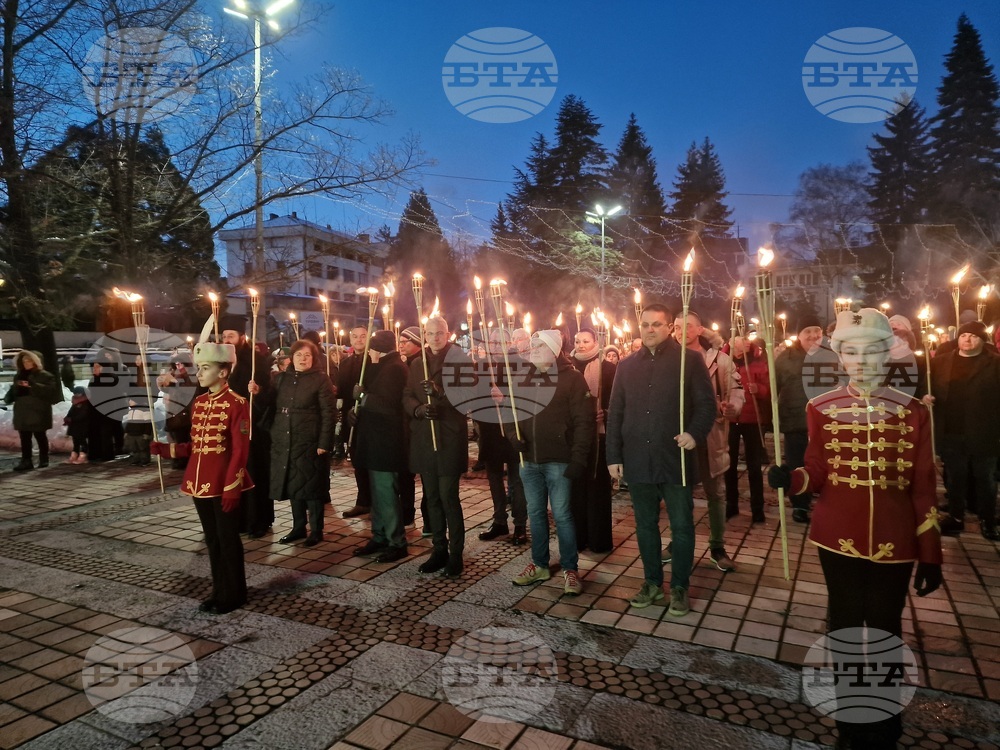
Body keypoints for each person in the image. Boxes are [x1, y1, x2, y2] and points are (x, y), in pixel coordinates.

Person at [768, 308, 943, 748]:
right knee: (844, 625)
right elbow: (817, 471)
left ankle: (883, 722)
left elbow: (923, 487)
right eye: (852, 352)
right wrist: (789, 480)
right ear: (841, 357)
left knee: (885, 627)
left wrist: (931, 553)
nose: (862, 361)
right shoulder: (821, 408)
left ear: (888, 354)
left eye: (871, 351)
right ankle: (850, 720)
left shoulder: (913, 412)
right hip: (836, 535)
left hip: (896, 538)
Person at [606, 304, 716, 615]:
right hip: (638, 457)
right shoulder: (626, 367)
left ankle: (680, 585)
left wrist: (694, 434)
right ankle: (652, 582)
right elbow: (616, 415)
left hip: (675, 457)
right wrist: (613, 455)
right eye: (645, 325)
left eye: (657, 324)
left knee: (681, 525)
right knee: (645, 525)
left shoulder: (690, 361)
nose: (650, 330)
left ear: (670, 327)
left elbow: (706, 405)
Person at [151, 333, 254, 615]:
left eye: (206, 368)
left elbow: (239, 451)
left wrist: (233, 486)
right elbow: (197, 446)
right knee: (212, 539)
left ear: (223, 372)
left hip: (223, 482)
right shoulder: (199, 403)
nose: (200, 373)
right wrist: (166, 450)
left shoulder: (237, 403)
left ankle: (235, 593)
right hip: (198, 482)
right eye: (200, 367)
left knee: (227, 538)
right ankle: (219, 589)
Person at [508, 330, 594, 595]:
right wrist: (514, 436)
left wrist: (578, 457)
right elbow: (512, 413)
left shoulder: (573, 380)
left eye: (538, 345)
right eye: (531, 345)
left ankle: (570, 568)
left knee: (562, 515)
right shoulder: (525, 377)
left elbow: (584, 422)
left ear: (554, 350)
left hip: (559, 459)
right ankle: (540, 564)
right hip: (529, 459)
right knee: (535, 513)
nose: (532, 349)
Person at [673, 312, 743, 572]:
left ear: (700, 329)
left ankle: (717, 545)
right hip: (677, 436)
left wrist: (732, 407)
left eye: (687, 326)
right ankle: (678, 542)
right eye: (677, 327)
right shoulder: (668, 359)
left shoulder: (719, 360)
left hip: (710, 434)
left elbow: (736, 390)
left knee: (715, 492)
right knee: (679, 493)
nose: (681, 331)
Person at [403, 316, 469, 579]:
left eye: (439, 333)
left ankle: (456, 554)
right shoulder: (417, 363)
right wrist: (419, 409)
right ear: (425, 336)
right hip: (425, 438)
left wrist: (441, 392)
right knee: (431, 498)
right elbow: (406, 395)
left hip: (449, 437)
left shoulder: (459, 360)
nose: (435, 338)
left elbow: (467, 397)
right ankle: (439, 549)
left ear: (447, 333)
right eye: (430, 334)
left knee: (448, 497)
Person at [923, 320, 1000, 540]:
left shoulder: (994, 363)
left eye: (973, 336)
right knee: (955, 477)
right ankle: (956, 517)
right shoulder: (941, 362)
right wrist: (926, 396)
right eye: (964, 335)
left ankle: (987, 520)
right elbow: (928, 386)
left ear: (982, 340)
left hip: (983, 429)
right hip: (951, 428)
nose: (968, 339)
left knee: (985, 477)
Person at [350, 330, 410, 563]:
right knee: (376, 493)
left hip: (386, 443)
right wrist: (353, 412)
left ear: (378, 349)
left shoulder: (395, 368)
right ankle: (379, 536)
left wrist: (363, 398)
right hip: (373, 441)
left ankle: (396, 541)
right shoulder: (380, 366)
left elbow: (389, 406)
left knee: (386, 492)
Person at [269, 339, 336, 546]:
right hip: (285, 438)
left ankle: (316, 530)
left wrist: (324, 442)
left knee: (311, 485)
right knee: (293, 483)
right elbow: (269, 404)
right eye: (299, 355)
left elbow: (328, 412)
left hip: (309, 439)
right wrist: (256, 391)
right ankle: (298, 527)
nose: (303, 359)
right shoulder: (281, 379)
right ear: (292, 357)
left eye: (307, 355)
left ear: (313, 358)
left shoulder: (320, 379)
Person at [221, 314, 276, 538]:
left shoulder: (255, 360)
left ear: (242, 337)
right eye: (224, 336)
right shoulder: (219, 361)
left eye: (231, 336)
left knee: (254, 473)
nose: (226, 340)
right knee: (231, 473)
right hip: (228, 427)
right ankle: (237, 519)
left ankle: (258, 520)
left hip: (252, 427)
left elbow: (269, 395)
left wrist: (258, 391)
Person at [568, 327, 616, 554]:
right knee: (576, 488)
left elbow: (618, 401)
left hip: (599, 436)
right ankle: (579, 537)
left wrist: (604, 412)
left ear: (596, 342)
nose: (581, 345)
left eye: (586, 341)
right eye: (578, 341)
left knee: (597, 488)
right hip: (575, 437)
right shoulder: (569, 367)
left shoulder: (608, 368)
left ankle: (599, 539)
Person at [477, 329, 528, 545]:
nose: (497, 345)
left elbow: (528, 398)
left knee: (517, 480)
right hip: (490, 430)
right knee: (494, 478)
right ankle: (499, 521)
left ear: (509, 342)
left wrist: (505, 398)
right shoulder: (483, 366)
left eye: (501, 341)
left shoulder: (521, 365)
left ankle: (520, 525)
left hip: (512, 430)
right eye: (493, 342)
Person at [774, 316, 825, 523]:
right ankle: (800, 505)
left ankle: (823, 501)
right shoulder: (785, 358)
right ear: (799, 335)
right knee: (798, 463)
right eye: (807, 331)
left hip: (823, 422)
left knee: (823, 463)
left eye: (817, 330)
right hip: (795, 421)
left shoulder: (830, 356)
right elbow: (774, 387)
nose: (813, 335)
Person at [725, 336, 769, 523]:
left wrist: (757, 389)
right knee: (729, 464)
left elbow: (768, 389)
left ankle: (757, 508)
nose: (745, 343)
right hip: (731, 418)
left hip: (752, 419)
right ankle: (731, 505)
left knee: (754, 466)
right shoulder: (724, 361)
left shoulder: (759, 362)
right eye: (740, 341)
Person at [336, 326, 373, 516]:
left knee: (370, 460)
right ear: (350, 339)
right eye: (355, 336)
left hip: (369, 417)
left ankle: (374, 499)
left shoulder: (374, 361)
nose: (359, 340)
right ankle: (363, 499)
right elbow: (341, 390)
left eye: (363, 336)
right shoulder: (345, 363)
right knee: (356, 458)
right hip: (351, 417)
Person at [5, 350, 61, 471]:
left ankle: (44, 459)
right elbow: (14, 391)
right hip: (22, 411)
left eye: (29, 360)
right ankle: (26, 461)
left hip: (38, 410)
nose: (26, 363)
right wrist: (11, 394)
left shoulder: (45, 375)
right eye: (24, 360)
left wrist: (32, 385)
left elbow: (50, 392)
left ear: (35, 361)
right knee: (24, 437)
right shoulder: (19, 375)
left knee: (40, 435)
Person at [397, 326, 426, 530]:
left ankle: (429, 518)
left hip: (419, 425)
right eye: (399, 341)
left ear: (416, 343)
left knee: (425, 476)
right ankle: (406, 512)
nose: (401, 345)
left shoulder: (421, 363)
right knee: (404, 473)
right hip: (403, 427)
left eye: (405, 342)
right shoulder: (401, 363)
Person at [64, 386, 92, 464]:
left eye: (78, 394)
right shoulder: (75, 402)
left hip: (82, 425)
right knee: (75, 440)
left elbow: (84, 414)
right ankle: (75, 453)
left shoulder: (86, 403)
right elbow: (71, 411)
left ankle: (83, 454)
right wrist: (68, 417)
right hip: (74, 425)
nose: (76, 395)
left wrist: (72, 419)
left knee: (82, 440)